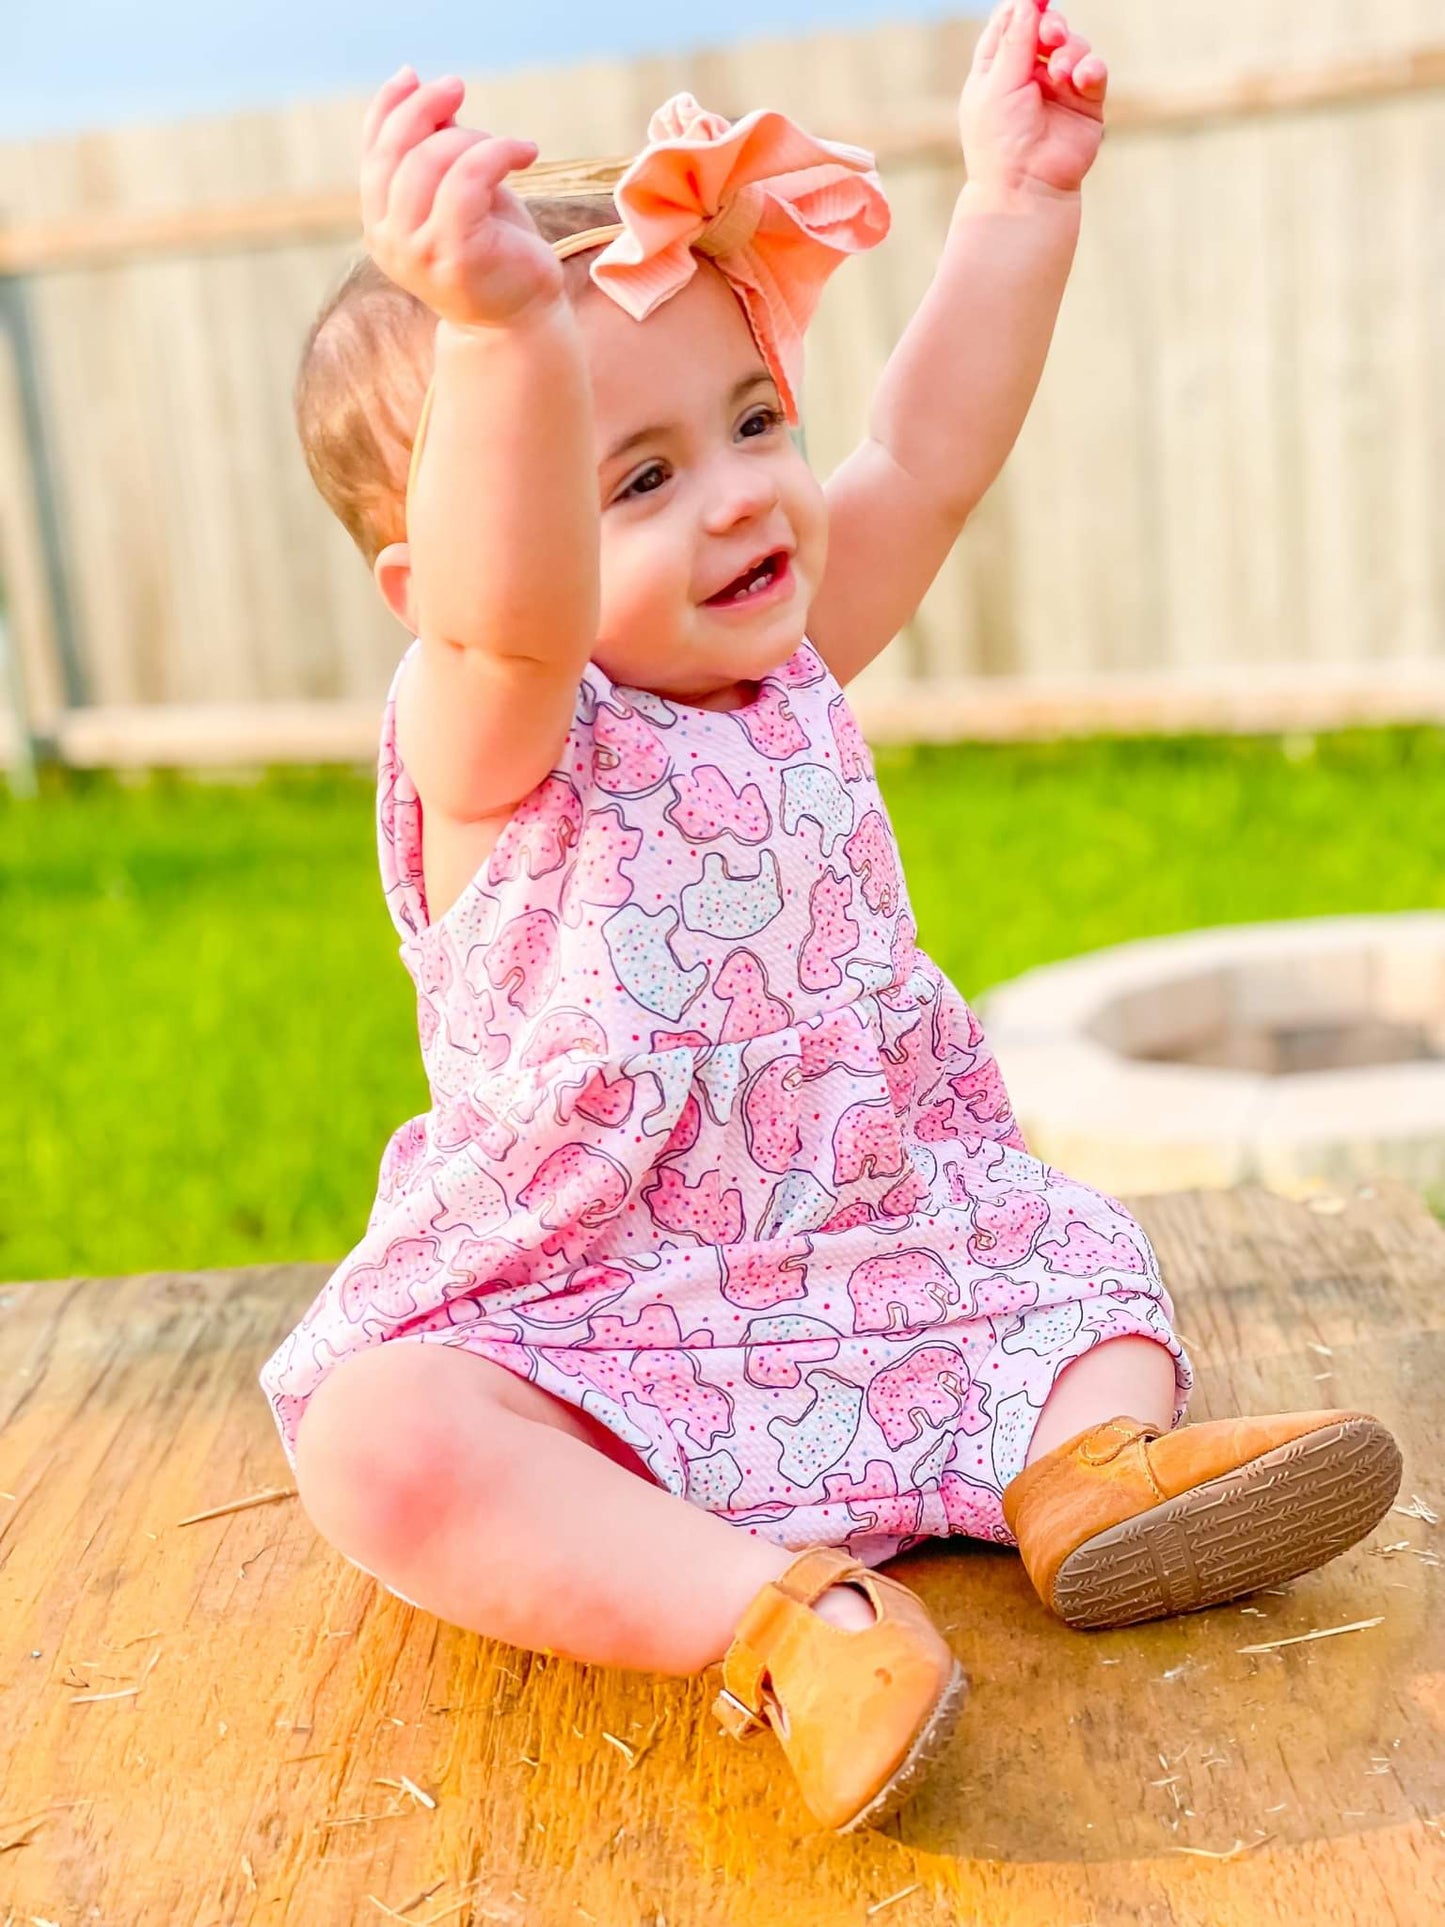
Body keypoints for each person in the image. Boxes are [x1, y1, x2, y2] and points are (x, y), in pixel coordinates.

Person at [261, 0, 1402, 1834]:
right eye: (637, 476)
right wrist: (490, 337)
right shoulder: (495, 730)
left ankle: (1083, 1473)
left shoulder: (783, 671)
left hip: (878, 1238)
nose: (737, 497)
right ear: (432, 567)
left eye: (749, 418)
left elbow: (922, 462)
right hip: (596, 1309)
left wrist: (1016, 203)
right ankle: (787, 1622)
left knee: (1072, 1264)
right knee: (384, 1449)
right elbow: (510, 609)